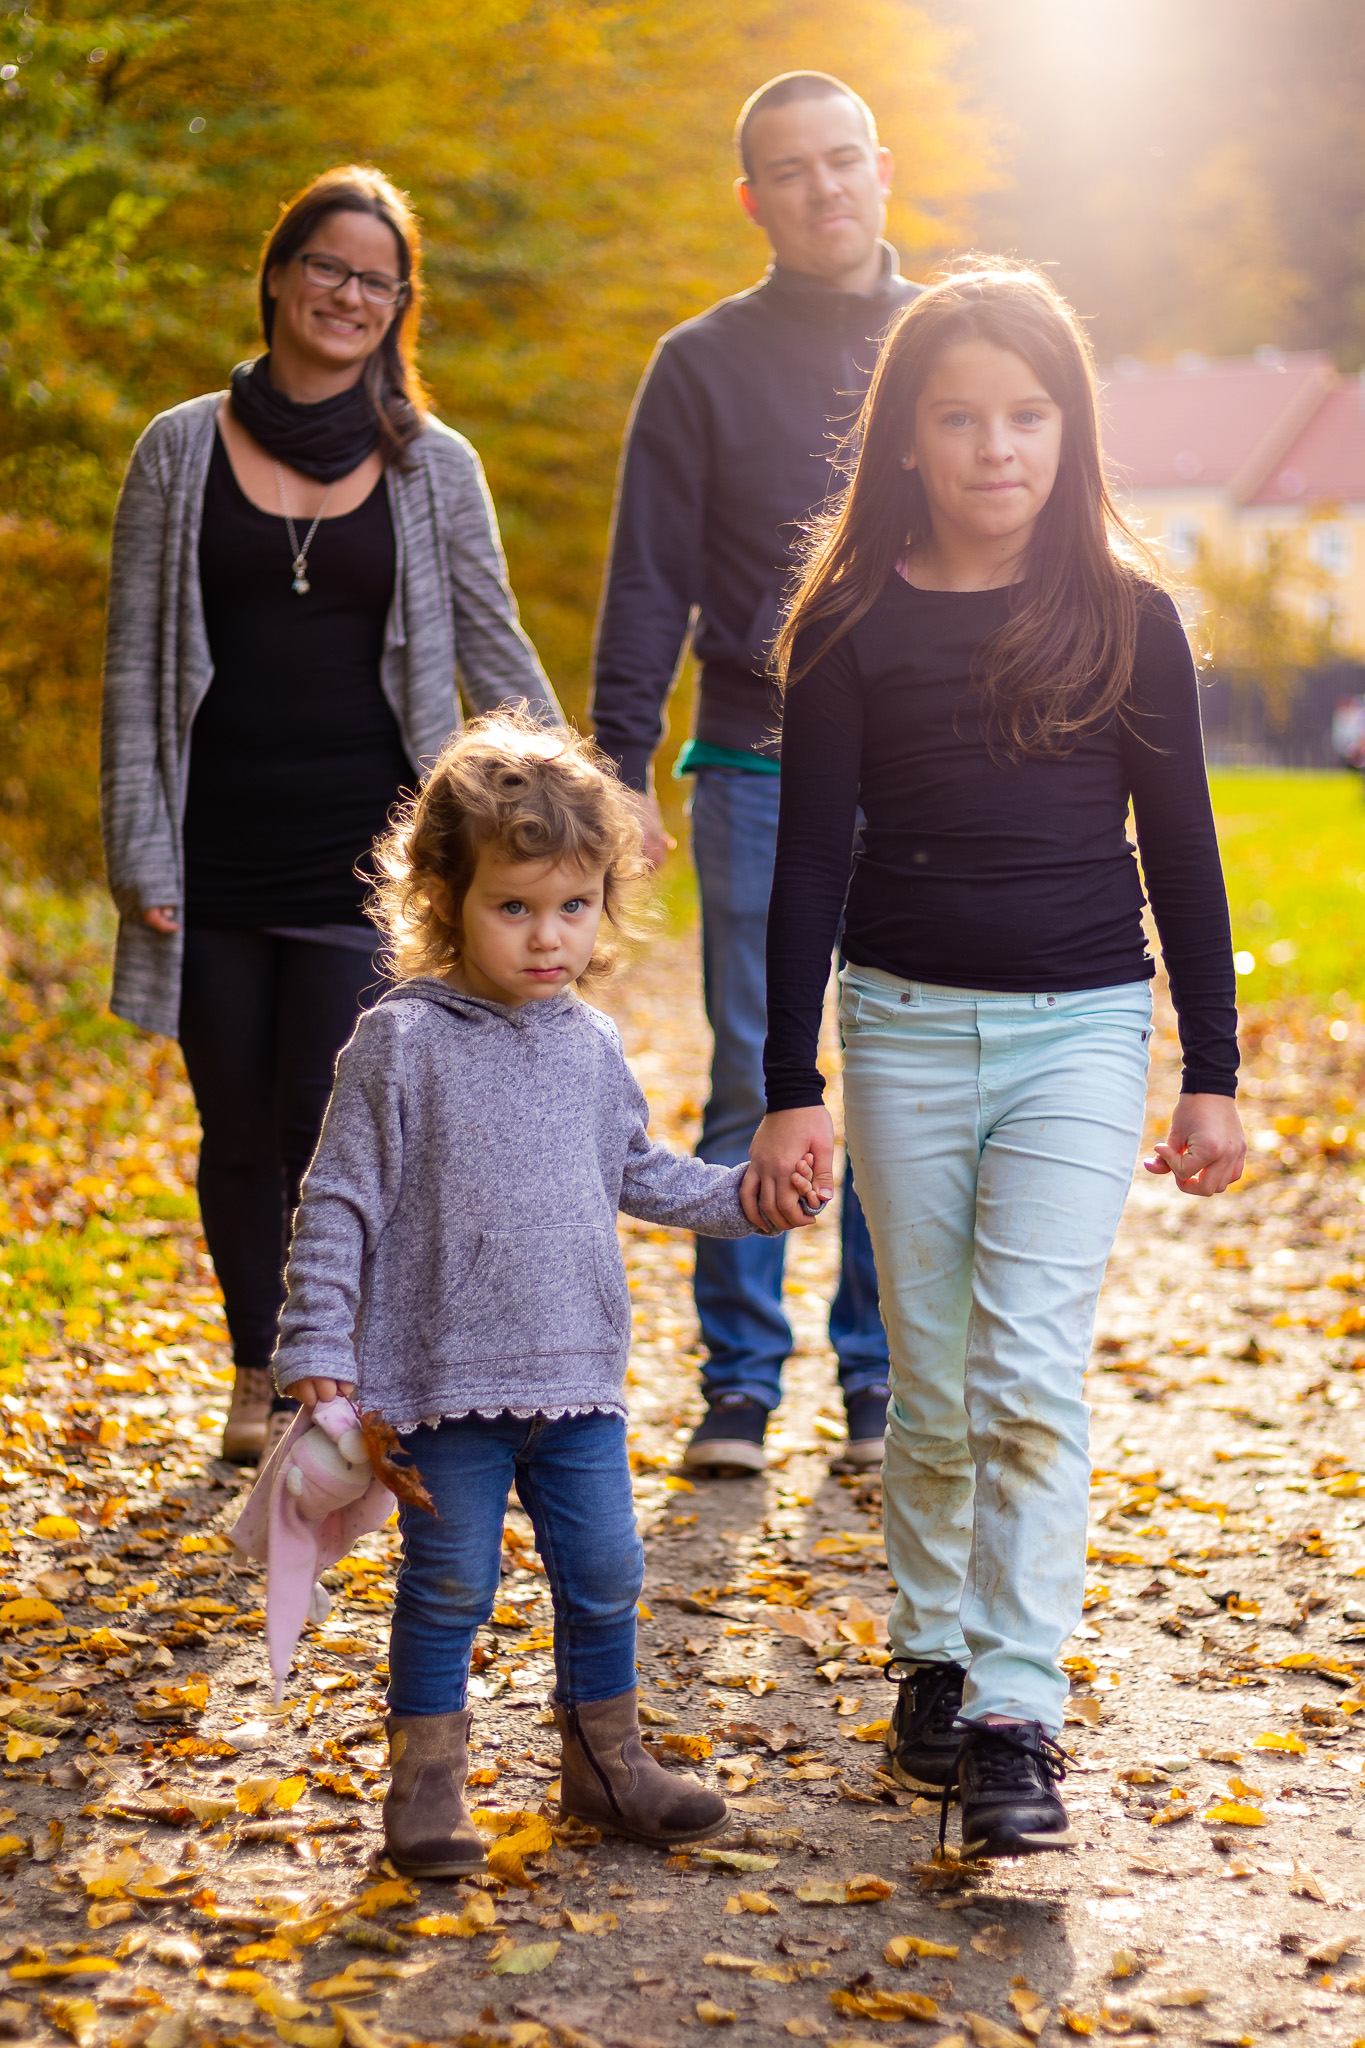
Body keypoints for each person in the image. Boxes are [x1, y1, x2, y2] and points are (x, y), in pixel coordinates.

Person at [749, 263, 1246, 1860]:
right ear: (905, 439)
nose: (995, 449)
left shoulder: (1129, 617)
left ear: (1068, 431)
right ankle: (935, 1647)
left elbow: (1184, 852)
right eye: (958, 418)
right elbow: (807, 862)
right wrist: (789, 1078)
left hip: (1082, 1031)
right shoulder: (846, 626)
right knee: (935, 1376)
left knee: (1030, 1370)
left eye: (1027, 417)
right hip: (899, 1024)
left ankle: (1017, 1712)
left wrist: (1211, 1066)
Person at [268, 713, 819, 1878]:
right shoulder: (400, 1042)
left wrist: (747, 1200)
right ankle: (425, 1783)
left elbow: (638, 1172)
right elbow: (337, 1202)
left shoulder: (590, 1041)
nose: (547, 935)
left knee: (611, 1570)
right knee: (452, 1580)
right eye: (513, 907)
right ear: (444, 900)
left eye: (572, 905)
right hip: (440, 1384)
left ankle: (603, 1762)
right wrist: (314, 1335)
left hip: (574, 1378)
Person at [100, 165, 561, 1470]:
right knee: (235, 1124)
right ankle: (257, 1368)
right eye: (329, 268)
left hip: (370, 861)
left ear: (399, 303)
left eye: (377, 279)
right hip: (210, 855)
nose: (349, 295)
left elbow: (491, 641)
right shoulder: (179, 450)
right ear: (278, 273)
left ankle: (325, 1371)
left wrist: (550, 808)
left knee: (324, 1116)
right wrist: (139, 849)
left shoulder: (432, 464)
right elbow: (133, 669)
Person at [591, 72, 911, 1477]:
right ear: (753, 200)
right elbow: (649, 576)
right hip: (754, 763)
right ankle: (737, 1382)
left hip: (928, 770)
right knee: (754, 1066)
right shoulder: (700, 362)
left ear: (880, 170)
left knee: (900, 1071)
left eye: (843, 160)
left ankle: (881, 1380)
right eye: (791, 170)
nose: (823, 187)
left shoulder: (942, 340)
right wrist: (614, 766)